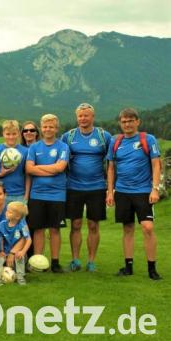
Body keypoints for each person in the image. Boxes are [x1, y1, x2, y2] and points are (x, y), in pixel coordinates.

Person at [106, 108, 162, 280]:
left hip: (143, 192)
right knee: (128, 228)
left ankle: (152, 268)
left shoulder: (148, 139)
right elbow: (110, 168)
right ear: (120, 123)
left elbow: (156, 165)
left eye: (130, 120)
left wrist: (155, 188)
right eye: (124, 121)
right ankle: (128, 266)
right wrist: (110, 192)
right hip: (122, 192)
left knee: (147, 227)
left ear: (138, 122)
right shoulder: (116, 142)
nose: (127, 124)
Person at [60, 103, 112, 272]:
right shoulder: (68, 136)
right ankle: (75, 260)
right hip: (73, 186)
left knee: (93, 225)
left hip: (96, 187)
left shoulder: (104, 136)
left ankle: (91, 261)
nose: (83, 119)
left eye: (86, 116)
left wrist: (110, 189)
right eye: (80, 116)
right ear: (77, 118)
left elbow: (111, 163)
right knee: (75, 224)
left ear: (92, 117)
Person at [25, 114, 69, 273]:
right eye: (45, 126)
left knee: (55, 229)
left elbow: (60, 168)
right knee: (38, 229)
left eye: (51, 126)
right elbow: (29, 169)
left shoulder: (63, 147)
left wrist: (40, 169)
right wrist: (52, 169)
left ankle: (55, 263)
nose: (48, 129)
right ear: (41, 128)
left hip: (57, 195)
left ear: (56, 128)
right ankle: (38, 262)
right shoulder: (34, 147)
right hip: (37, 195)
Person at [0, 120, 29, 204]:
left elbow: (28, 175)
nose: (11, 137)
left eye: (14, 134)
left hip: (20, 194)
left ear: (18, 134)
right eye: (8, 134)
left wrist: (26, 196)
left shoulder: (25, 151)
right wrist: (1, 174)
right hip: (1, 194)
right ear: (3, 134)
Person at [0, 201, 31, 285]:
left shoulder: (22, 225)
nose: (6, 213)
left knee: (19, 256)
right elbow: (0, 239)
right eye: (7, 210)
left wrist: (23, 251)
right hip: (5, 251)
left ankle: (20, 277)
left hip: (17, 252)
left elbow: (28, 240)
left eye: (9, 212)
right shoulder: (2, 224)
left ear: (17, 216)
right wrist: (1, 251)